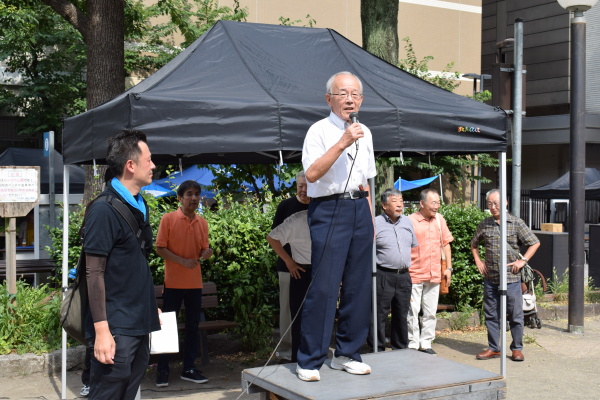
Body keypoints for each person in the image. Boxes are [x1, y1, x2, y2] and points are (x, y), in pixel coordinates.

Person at [297, 71, 376, 382]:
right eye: (343, 93)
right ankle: (310, 359)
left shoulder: (365, 131)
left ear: (361, 100)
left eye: (355, 94)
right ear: (329, 99)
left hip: (359, 207)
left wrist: (368, 216)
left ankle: (347, 353)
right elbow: (313, 174)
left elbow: (366, 179)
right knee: (325, 287)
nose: (350, 99)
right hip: (329, 209)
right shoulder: (318, 131)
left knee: (358, 286)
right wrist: (343, 142)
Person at [83, 130, 161, 400]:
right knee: (107, 393)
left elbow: (132, 265)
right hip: (115, 326)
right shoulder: (103, 209)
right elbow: (93, 272)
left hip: (139, 320)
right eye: (148, 160)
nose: (153, 165)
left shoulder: (139, 204)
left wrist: (151, 306)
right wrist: (102, 331)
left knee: (128, 393)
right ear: (131, 165)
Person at [155, 180, 213, 387]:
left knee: (192, 327)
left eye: (197, 194)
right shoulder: (168, 219)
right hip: (172, 284)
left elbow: (202, 251)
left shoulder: (203, 223)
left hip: (195, 284)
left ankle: (188, 368)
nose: (194, 198)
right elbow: (159, 248)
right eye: (189, 194)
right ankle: (162, 370)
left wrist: (206, 254)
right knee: (166, 327)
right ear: (180, 199)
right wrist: (182, 261)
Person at [471, 189, 540, 362]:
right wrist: (479, 262)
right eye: (489, 204)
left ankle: (517, 348)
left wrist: (522, 261)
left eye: (496, 203)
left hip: (511, 278)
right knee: (492, 315)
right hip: (491, 279)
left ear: (506, 203)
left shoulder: (516, 223)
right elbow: (474, 244)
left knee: (515, 314)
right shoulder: (485, 223)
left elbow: (534, 242)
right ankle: (494, 348)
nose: (493, 207)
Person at [368, 188, 417, 351]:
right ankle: (378, 347)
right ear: (384, 205)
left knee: (402, 314)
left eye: (401, 201)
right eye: (395, 201)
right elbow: (367, 250)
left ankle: (400, 347)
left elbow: (413, 246)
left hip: (404, 276)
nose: (400, 205)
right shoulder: (375, 223)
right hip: (383, 275)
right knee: (379, 314)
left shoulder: (407, 222)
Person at [407, 189, 454, 355]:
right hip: (414, 272)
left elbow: (446, 243)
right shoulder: (410, 220)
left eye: (438, 202)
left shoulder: (440, 220)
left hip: (434, 272)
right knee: (411, 311)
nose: (437, 206)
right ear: (422, 203)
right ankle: (412, 343)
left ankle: (426, 342)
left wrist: (448, 267)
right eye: (433, 203)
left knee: (430, 311)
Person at [271, 171, 310, 363]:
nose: (303, 190)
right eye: (300, 186)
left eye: (307, 186)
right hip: (289, 267)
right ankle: (287, 352)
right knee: (288, 311)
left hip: (312, 269)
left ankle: (309, 349)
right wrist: (288, 261)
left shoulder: (319, 206)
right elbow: (273, 238)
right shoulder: (285, 206)